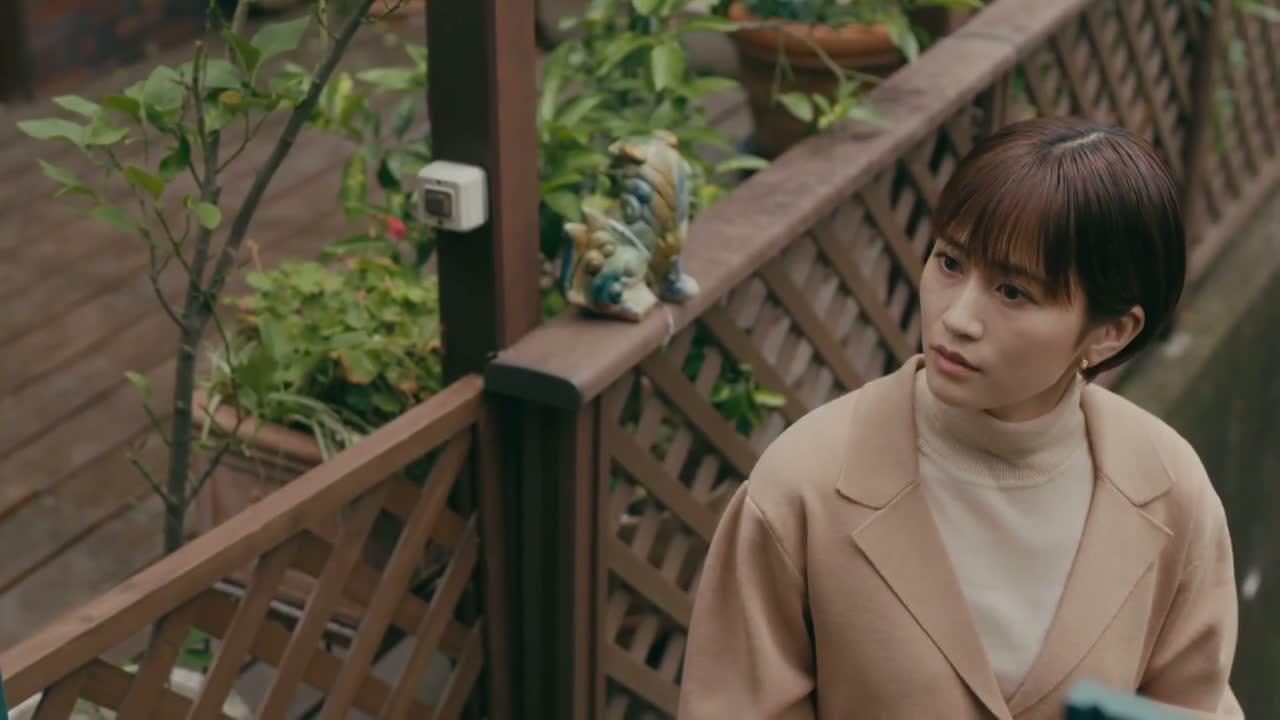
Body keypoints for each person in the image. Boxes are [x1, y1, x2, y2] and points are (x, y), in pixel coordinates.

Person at [678, 117, 1242, 719]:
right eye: (949, 262)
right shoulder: (804, 484)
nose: (957, 318)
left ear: (1111, 332)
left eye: (1013, 292)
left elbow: (1196, 706)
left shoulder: (1170, 490)